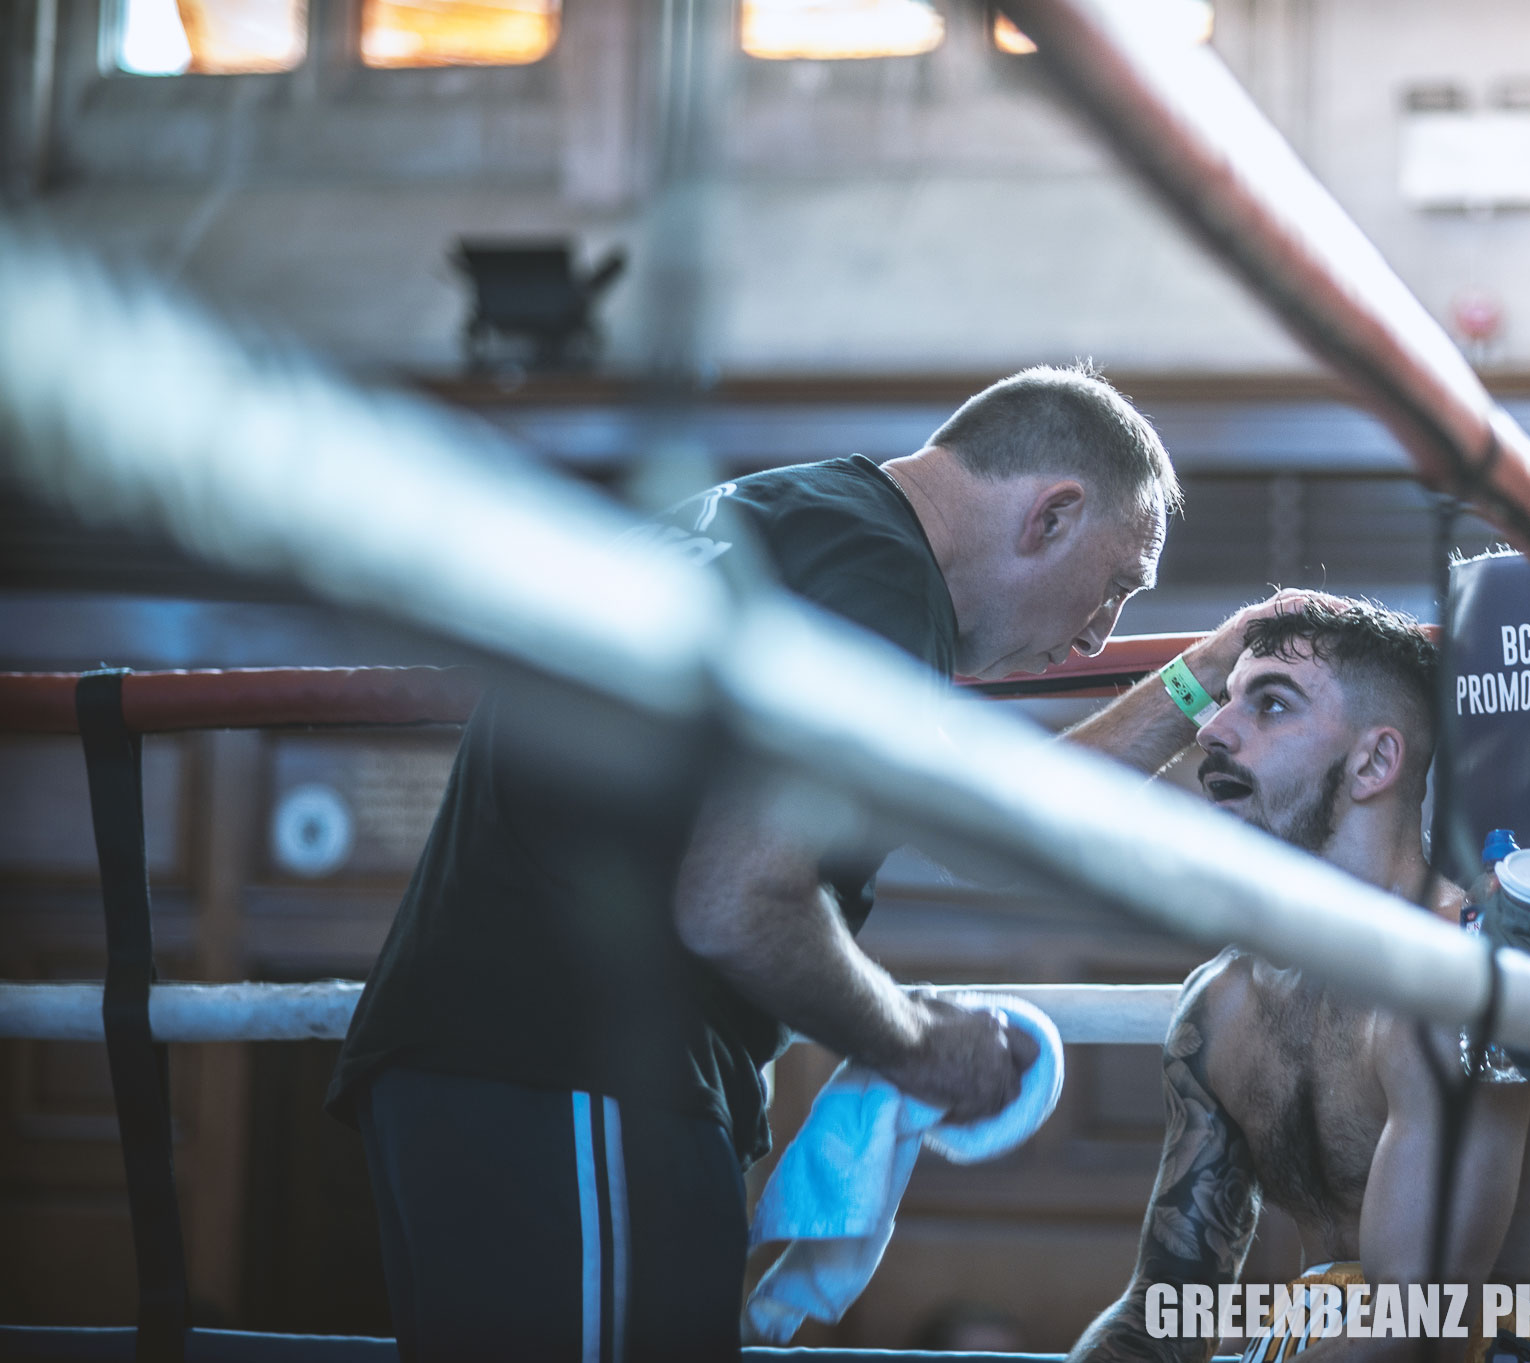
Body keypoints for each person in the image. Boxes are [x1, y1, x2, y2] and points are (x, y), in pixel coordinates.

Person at [325, 363, 1181, 1361]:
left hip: (475, 1074)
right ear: (1051, 514)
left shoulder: (786, 520)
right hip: (582, 1072)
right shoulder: (878, 585)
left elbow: (981, 821)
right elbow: (740, 899)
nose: (1095, 637)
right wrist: (913, 1041)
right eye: (1115, 587)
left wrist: (1197, 689)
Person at [1064, 597, 1530, 1363]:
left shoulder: (1465, 976)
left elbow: (1418, 1328)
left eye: (1269, 705)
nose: (1211, 731)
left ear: (1374, 762)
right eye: (1226, 701)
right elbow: (1167, 1308)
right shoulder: (1222, 1005)